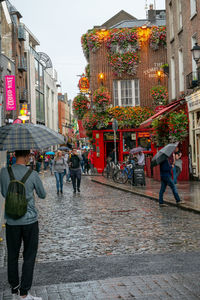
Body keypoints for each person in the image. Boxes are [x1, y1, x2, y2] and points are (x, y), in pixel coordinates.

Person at [0, 150, 46, 300]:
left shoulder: (4, 172)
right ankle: (24, 294)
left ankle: (14, 290)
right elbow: (42, 194)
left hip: (12, 221)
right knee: (29, 256)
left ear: (14, 156)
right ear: (27, 157)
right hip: (29, 221)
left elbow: (3, 193)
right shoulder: (32, 174)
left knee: (12, 256)